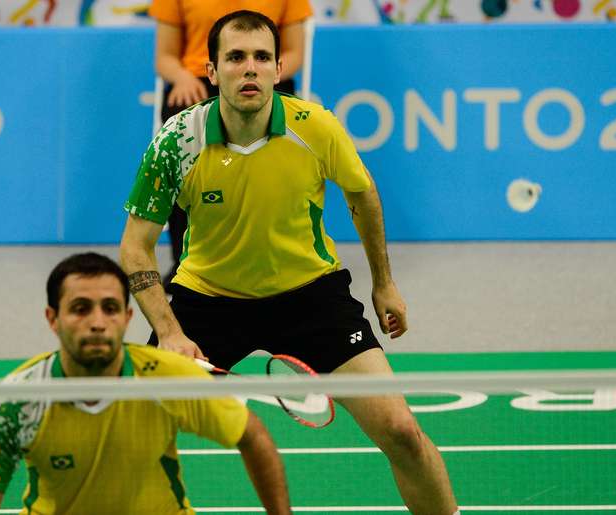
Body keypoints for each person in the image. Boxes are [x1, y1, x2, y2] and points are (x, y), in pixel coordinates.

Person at [120, 10, 460, 515]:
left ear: (280, 68)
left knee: (402, 431)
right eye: (235, 57)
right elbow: (134, 247)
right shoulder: (176, 142)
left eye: (261, 57)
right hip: (208, 301)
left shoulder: (315, 127)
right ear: (211, 71)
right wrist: (169, 332)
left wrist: (383, 284)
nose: (250, 68)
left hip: (311, 297)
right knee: (132, 436)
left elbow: (362, 196)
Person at [0, 252, 291, 515]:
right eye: (81, 309)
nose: (97, 322)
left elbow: (253, 436)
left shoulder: (167, 379)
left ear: (128, 318)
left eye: (110, 308)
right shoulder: (19, 400)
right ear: (53, 319)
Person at [149, 0, 313, 290]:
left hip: (264, 81)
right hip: (198, 83)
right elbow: (165, 57)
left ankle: (279, 261)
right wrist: (182, 77)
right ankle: (185, 264)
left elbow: (295, 54)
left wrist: (263, 74)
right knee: (181, 165)